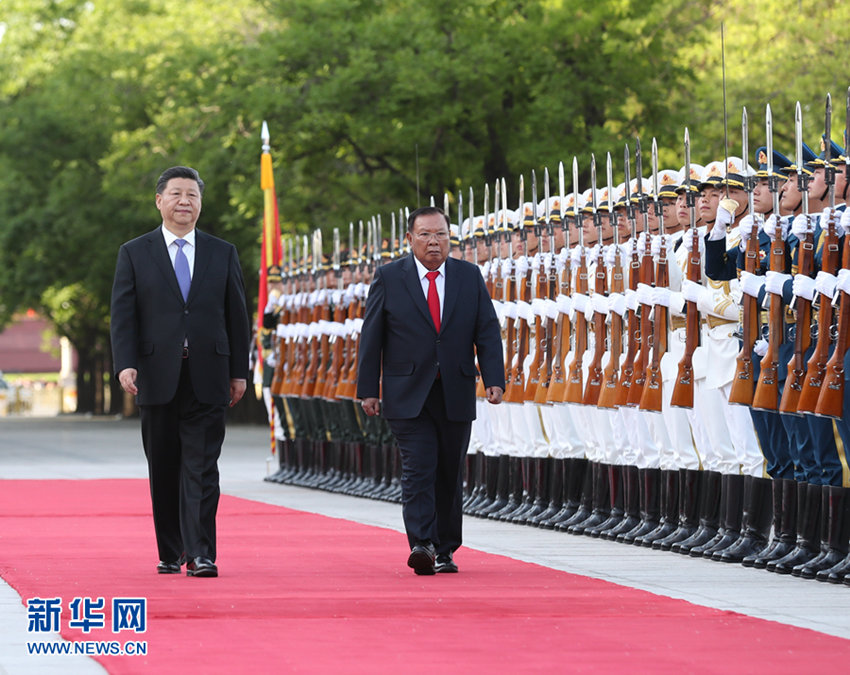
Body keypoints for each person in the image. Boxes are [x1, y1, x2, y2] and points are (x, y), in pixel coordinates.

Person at [110, 166, 251, 578]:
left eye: (192, 195)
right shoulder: (134, 252)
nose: (184, 201)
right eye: (176, 194)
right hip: (156, 375)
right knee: (165, 466)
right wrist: (125, 363)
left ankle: (202, 553)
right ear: (160, 201)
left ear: (200, 204)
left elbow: (236, 316)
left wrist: (238, 371)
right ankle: (171, 551)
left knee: (203, 468)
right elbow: (123, 316)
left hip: (209, 374)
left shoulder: (222, 252)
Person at [357, 205, 505, 575]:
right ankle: (421, 543)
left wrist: (494, 378)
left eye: (440, 234)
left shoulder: (469, 277)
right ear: (410, 239)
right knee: (419, 466)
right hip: (407, 391)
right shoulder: (390, 277)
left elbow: (486, 330)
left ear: (450, 237)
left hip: (454, 388)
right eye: (425, 234)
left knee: (449, 470)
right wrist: (367, 389)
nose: (434, 242)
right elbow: (371, 336)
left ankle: (445, 547)